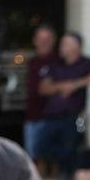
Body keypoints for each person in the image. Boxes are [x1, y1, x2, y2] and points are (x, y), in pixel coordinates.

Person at [37, 31, 90, 179]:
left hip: (74, 117)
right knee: (42, 149)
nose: (61, 46)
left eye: (65, 43)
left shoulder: (88, 64)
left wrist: (75, 85)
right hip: (51, 117)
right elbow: (43, 88)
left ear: (77, 47)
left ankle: (68, 179)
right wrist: (62, 86)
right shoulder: (55, 65)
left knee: (71, 150)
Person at [25, 25, 61, 169]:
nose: (44, 42)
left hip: (54, 117)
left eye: (47, 39)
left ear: (53, 41)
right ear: (35, 41)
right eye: (41, 39)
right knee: (33, 156)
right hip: (32, 116)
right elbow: (38, 89)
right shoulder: (32, 62)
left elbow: (46, 89)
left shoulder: (59, 61)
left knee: (54, 158)